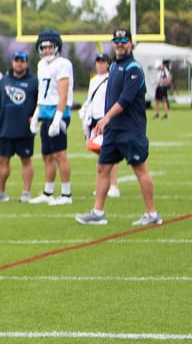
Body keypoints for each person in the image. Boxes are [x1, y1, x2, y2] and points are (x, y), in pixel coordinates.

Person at [76, 30, 163, 226]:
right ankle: (98, 212)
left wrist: (106, 118)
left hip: (130, 128)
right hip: (114, 130)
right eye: (117, 41)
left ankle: (152, 213)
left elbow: (125, 99)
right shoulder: (114, 65)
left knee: (140, 169)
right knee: (103, 168)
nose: (120, 44)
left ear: (131, 44)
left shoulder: (133, 68)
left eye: (124, 41)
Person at [28, 29, 74, 205]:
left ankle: (66, 194)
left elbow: (62, 94)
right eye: (43, 47)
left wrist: (58, 117)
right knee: (46, 155)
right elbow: (42, 93)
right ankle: (48, 192)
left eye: (49, 47)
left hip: (58, 112)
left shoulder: (62, 64)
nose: (46, 50)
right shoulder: (42, 65)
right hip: (45, 112)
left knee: (60, 155)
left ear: (56, 47)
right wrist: (36, 114)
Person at [0, 50, 37, 202]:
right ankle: (0, 191)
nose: (19, 63)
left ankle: (26, 192)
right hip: (6, 128)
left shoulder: (34, 82)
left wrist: (35, 117)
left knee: (26, 160)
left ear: (26, 63)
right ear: (12, 62)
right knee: (3, 160)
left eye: (22, 60)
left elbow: (40, 102)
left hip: (25, 129)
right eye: (16, 60)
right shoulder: (3, 81)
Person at [80, 53, 120, 199]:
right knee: (100, 153)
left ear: (108, 64)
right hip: (94, 119)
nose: (100, 64)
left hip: (106, 118)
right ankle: (104, 185)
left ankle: (114, 185)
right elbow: (91, 99)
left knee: (109, 152)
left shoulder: (112, 79)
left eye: (103, 62)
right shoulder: (94, 80)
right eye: (98, 62)